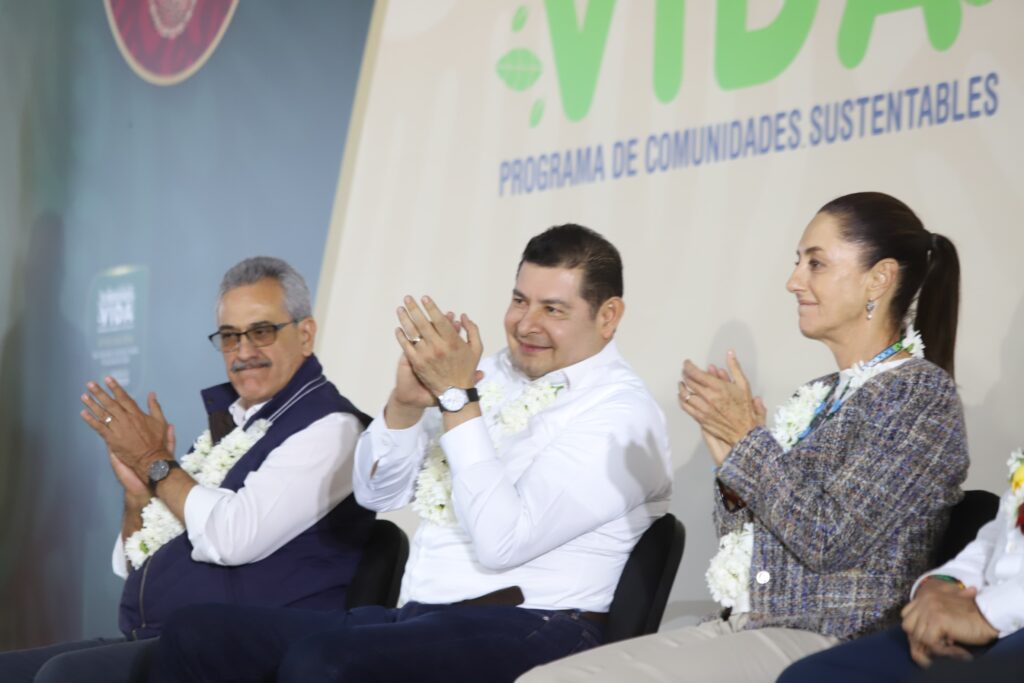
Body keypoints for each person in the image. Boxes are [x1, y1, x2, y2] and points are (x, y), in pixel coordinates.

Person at [149, 224, 674, 682]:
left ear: (608, 316)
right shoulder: (483, 372)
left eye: (553, 309)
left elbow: (502, 541)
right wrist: (402, 407)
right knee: (197, 634)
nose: (525, 323)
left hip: (539, 625)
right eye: (519, 300)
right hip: (421, 616)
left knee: (324, 663)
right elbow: (379, 491)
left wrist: (456, 400)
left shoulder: (622, 415)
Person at [521, 192, 969, 683]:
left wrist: (748, 442)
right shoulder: (818, 394)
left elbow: (829, 541)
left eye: (815, 264)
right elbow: (756, 546)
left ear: (878, 278)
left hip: (831, 640)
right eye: (797, 262)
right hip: (750, 623)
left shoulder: (919, 394)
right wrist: (729, 461)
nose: (793, 281)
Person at [0, 257, 375, 682]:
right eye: (230, 337)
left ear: (305, 334)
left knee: (64, 676)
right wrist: (139, 495)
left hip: (239, 654)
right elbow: (130, 563)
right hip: (157, 638)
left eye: (262, 332)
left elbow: (231, 537)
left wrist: (153, 461)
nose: (244, 352)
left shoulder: (332, 428)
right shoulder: (230, 428)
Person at [777, 445, 1024, 683]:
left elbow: (829, 542)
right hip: (978, 608)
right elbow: (999, 539)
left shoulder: (925, 414)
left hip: (1008, 619)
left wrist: (988, 614)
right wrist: (943, 584)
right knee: (809, 676)